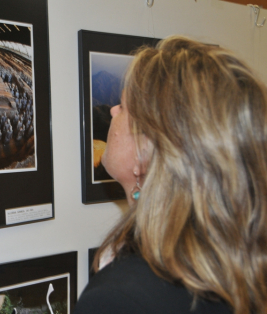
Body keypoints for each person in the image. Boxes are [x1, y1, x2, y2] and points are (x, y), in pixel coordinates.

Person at [74, 36, 267, 314]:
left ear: (147, 149)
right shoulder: (237, 268)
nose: (113, 110)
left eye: (125, 106)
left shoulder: (118, 300)